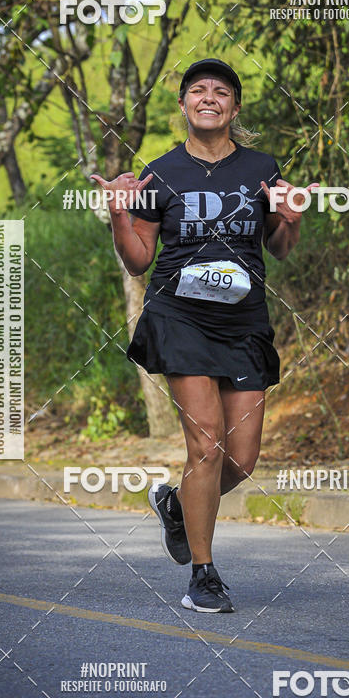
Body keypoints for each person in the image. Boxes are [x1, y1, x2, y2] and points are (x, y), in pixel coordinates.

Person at [91, 58, 302, 613]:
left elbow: (279, 247)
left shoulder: (262, 167)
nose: (210, 97)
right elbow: (138, 261)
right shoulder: (158, 173)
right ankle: (203, 577)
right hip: (179, 317)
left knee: (242, 459)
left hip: (244, 321)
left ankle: (176, 506)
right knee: (206, 445)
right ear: (183, 104)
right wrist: (119, 215)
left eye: (222, 91)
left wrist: (291, 219)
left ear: (235, 106)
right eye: (198, 90)